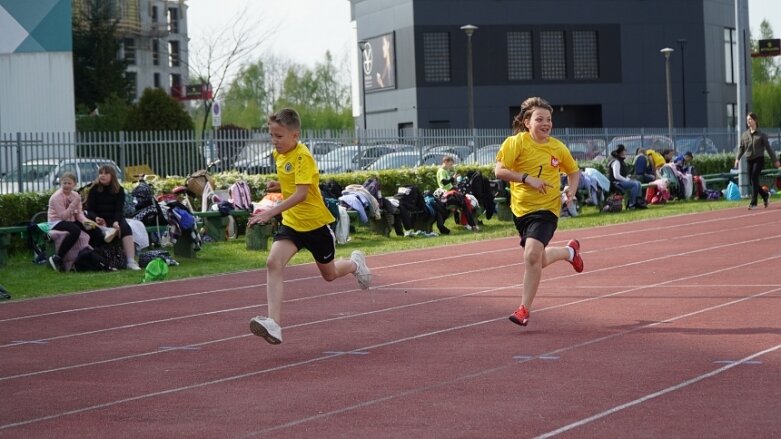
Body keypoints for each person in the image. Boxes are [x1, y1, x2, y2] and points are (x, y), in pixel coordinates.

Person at [248, 108, 372, 345]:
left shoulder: (303, 157)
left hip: (315, 226)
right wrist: (278, 185)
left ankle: (355, 263)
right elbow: (292, 185)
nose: (274, 141)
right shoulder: (280, 155)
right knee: (273, 262)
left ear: (295, 135)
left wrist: (270, 212)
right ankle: (273, 323)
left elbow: (302, 194)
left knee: (330, 274)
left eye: (279, 136)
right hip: (293, 225)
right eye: (272, 135)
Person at [494, 97, 584, 328]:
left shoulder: (557, 147)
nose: (546, 123)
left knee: (531, 256)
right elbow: (500, 171)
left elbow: (574, 172)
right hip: (521, 211)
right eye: (540, 119)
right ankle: (569, 252)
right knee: (539, 258)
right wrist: (526, 178)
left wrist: (570, 192)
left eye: (549, 120)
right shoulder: (516, 143)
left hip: (547, 209)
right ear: (527, 122)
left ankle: (524, 309)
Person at [47, 172, 113, 272]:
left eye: (69, 183)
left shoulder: (75, 195)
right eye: (64, 183)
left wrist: (85, 222)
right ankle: (58, 258)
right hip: (57, 221)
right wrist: (74, 203)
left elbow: (79, 214)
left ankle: (93, 255)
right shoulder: (56, 197)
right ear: (61, 184)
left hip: (71, 220)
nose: (66, 186)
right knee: (75, 230)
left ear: (75, 184)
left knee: (95, 230)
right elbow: (63, 216)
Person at [85, 165, 141, 270]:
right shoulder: (93, 189)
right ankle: (103, 260)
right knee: (96, 230)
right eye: (101, 173)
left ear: (112, 176)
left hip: (114, 217)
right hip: (99, 219)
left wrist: (116, 222)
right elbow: (90, 210)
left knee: (125, 228)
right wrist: (96, 218)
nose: (102, 175)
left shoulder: (119, 190)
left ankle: (131, 261)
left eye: (106, 173)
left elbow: (119, 210)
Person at [735, 112, 780, 209]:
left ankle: (754, 203)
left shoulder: (761, 135)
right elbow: (741, 148)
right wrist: (737, 158)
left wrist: (775, 160)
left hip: (759, 159)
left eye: (750, 119)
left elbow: (768, 148)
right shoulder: (745, 135)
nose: (748, 122)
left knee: (754, 176)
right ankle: (765, 195)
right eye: (747, 120)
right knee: (752, 181)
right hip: (749, 159)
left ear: (755, 120)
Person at [608, 144, 646, 209]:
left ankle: (638, 202)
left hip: (621, 181)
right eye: (625, 150)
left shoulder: (620, 160)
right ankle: (631, 204)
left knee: (638, 183)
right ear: (621, 151)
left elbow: (622, 173)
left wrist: (627, 177)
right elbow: (616, 176)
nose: (626, 151)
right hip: (615, 183)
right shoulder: (616, 161)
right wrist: (626, 180)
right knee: (635, 184)